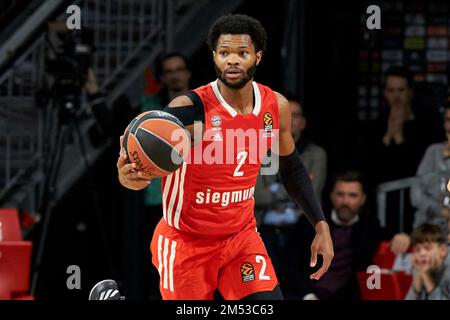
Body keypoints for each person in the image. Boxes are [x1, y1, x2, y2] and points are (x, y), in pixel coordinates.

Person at [116, 14, 333, 300]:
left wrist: (320, 224)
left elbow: (290, 166)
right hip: (187, 241)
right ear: (214, 57)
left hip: (240, 238)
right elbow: (143, 162)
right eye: (224, 53)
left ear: (257, 56)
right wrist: (128, 175)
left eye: (242, 53)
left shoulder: (275, 105)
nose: (232, 60)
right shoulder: (188, 109)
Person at [282, 171, 385, 300]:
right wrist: (308, 295)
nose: (345, 201)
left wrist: (402, 238)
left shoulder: (370, 228)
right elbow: (288, 266)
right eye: (340, 194)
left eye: (352, 195)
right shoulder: (310, 222)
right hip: (306, 293)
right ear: (331, 196)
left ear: (363, 199)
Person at [254, 98, 327, 272]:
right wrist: (294, 187)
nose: (287, 120)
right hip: (265, 228)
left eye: (293, 115)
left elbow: (311, 195)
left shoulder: (316, 153)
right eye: (281, 115)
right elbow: (256, 196)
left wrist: (273, 191)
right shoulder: (261, 150)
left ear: (303, 123)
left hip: (301, 229)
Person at [405, 223, 450, 300]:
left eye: (427, 248)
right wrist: (418, 279)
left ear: (443, 250)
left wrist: (427, 278)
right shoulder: (420, 267)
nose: (422, 254)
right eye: (417, 250)